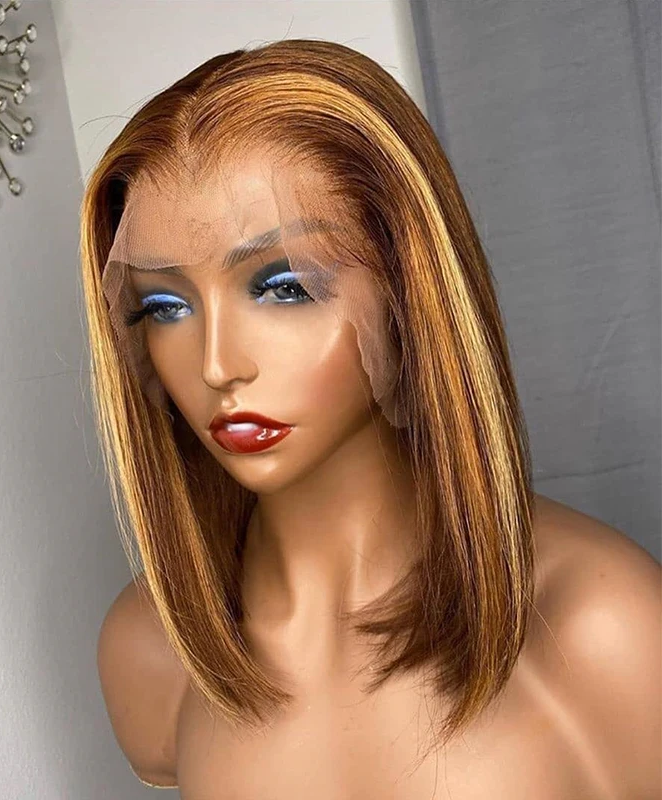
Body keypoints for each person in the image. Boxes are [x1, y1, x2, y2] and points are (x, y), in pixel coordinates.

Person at [81, 40, 661, 798]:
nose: (217, 364)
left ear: (406, 289)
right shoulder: (151, 653)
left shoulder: (603, 628)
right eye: (165, 305)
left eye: (284, 287)